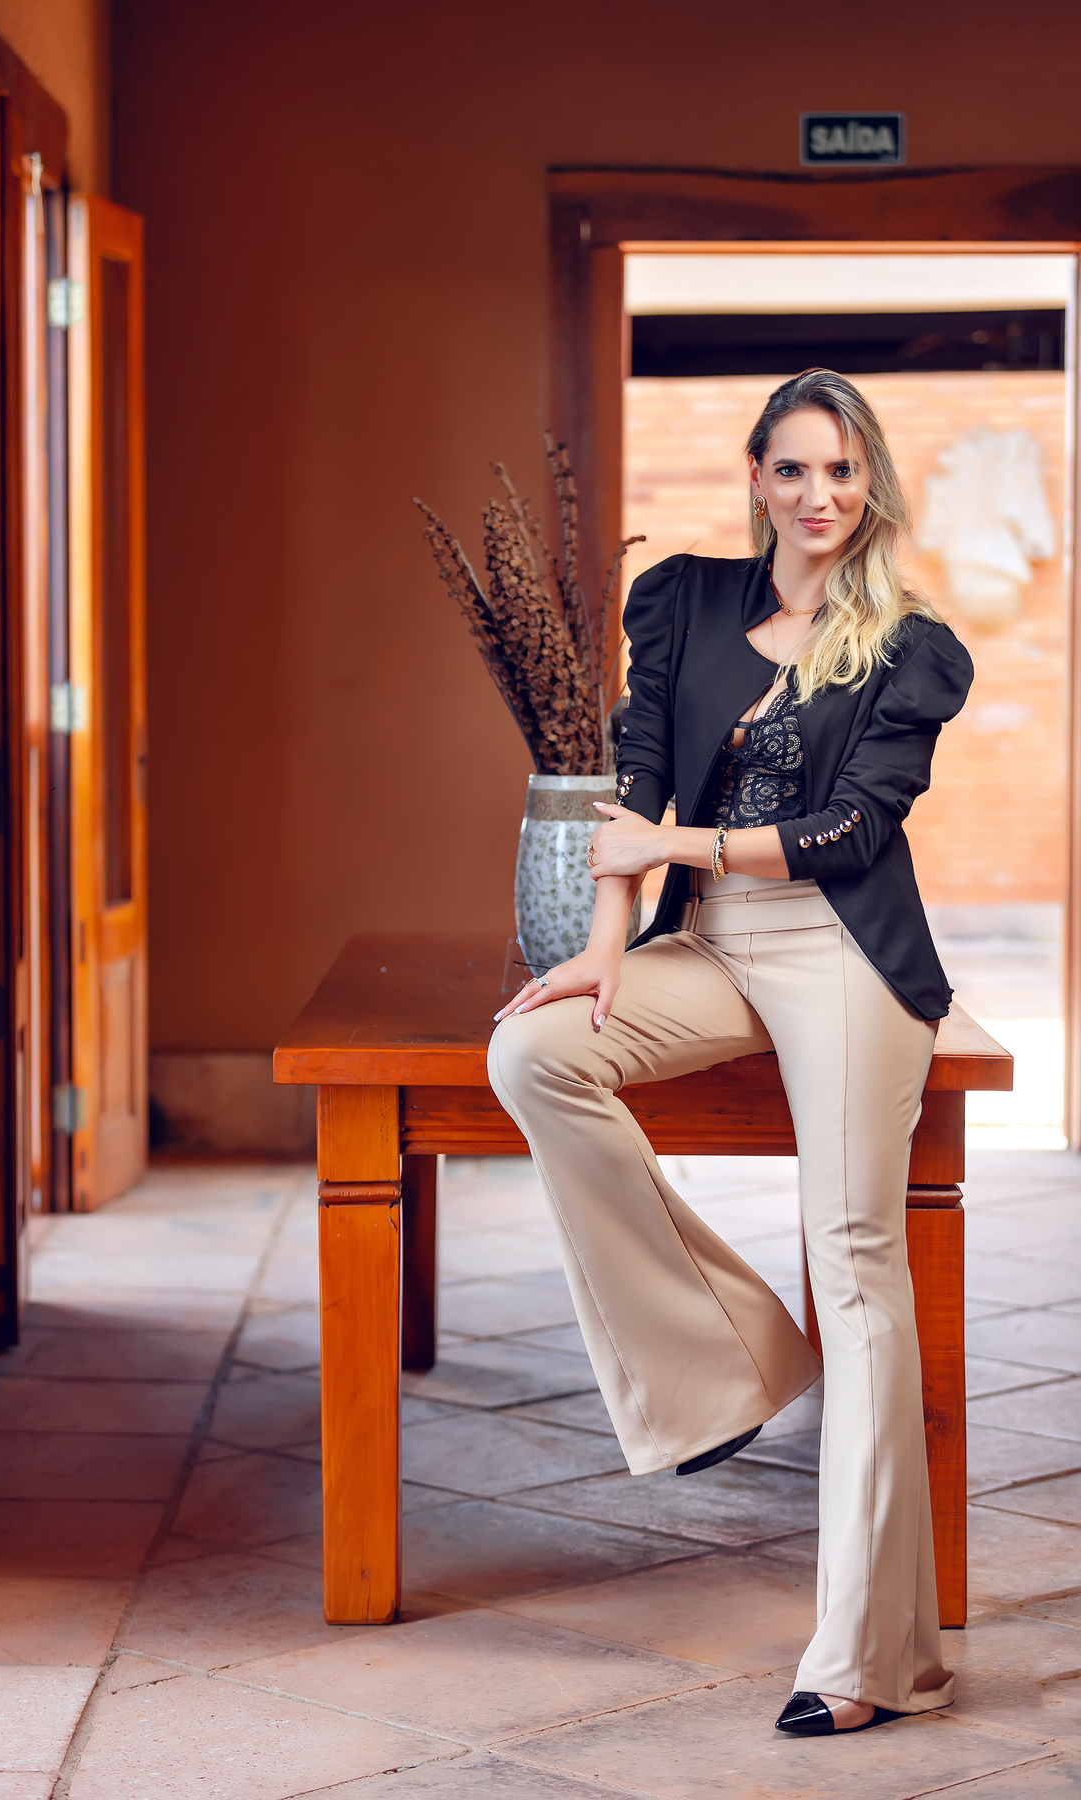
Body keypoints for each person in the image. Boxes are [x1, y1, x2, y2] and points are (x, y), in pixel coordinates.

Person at [489, 369, 973, 1736]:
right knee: (531, 1057)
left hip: (846, 952)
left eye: (844, 472)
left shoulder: (911, 647)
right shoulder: (686, 602)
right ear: (756, 477)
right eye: (794, 469)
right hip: (707, 942)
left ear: (871, 486)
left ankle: (867, 1658)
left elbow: (852, 830)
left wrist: (678, 844)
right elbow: (635, 778)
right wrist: (605, 944)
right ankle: (734, 1359)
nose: (820, 496)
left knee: (856, 1260)